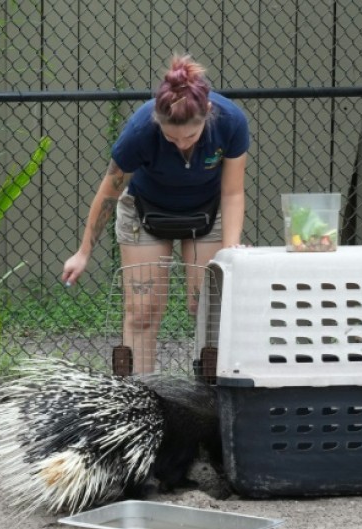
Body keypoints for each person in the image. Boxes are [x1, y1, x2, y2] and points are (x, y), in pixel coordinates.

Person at [61, 54, 250, 375]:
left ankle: (212, 399)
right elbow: (109, 192)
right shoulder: (140, 129)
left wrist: (230, 250)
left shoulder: (231, 121)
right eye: (170, 138)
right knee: (142, 312)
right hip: (145, 212)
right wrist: (83, 252)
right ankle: (139, 395)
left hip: (206, 214)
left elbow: (232, 192)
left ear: (207, 113)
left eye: (189, 137)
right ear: (157, 124)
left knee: (205, 308)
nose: (181, 145)